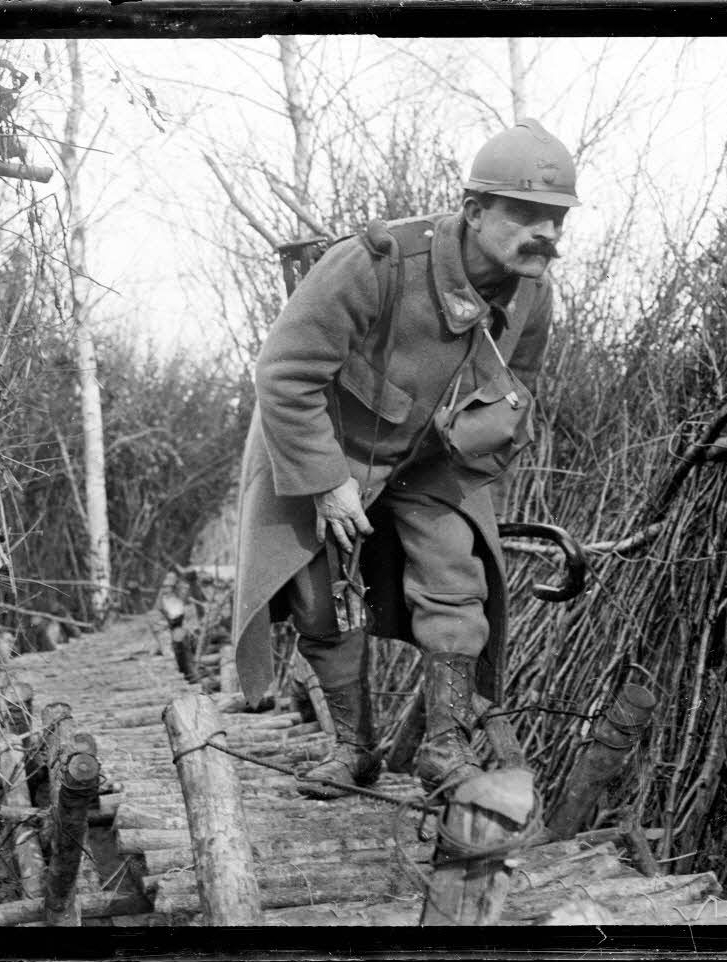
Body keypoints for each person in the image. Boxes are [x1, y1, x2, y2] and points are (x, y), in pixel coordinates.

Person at [230, 119, 580, 801]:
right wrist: (328, 484)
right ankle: (353, 749)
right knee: (317, 590)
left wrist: (477, 437)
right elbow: (284, 372)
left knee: (458, 573)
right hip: (323, 441)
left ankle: (443, 754)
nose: (545, 232)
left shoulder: (532, 289)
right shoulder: (378, 262)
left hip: (427, 456)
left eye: (556, 218)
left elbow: (520, 383)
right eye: (526, 214)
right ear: (474, 211)